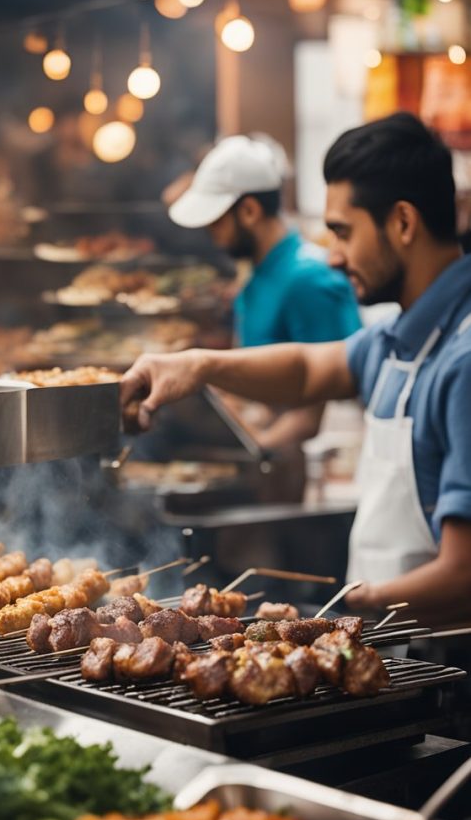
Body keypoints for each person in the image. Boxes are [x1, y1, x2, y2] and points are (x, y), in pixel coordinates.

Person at [123, 113, 471, 627]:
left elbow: (463, 573)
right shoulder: (399, 336)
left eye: (343, 233)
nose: (333, 257)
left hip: (444, 669)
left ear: (402, 223)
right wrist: (196, 366)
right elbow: (310, 367)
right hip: (390, 649)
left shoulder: (462, 360)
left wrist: (350, 609)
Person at [167, 134, 361, 450]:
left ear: (249, 211)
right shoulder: (262, 271)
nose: (212, 235)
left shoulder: (309, 278)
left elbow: (313, 412)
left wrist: (256, 453)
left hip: (300, 466)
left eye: (217, 223)